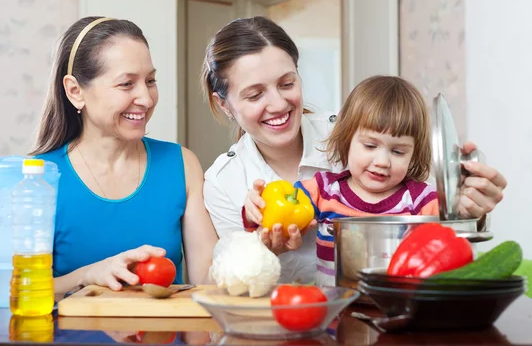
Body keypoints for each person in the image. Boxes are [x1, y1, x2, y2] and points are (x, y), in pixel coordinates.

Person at [202, 16, 507, 284]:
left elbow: (433, 214)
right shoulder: (223, 180)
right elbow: (233, 278)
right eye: (255, 94)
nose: (279, 104)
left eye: (287, 83)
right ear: (223, 104)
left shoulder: (358, 133)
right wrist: (259, 243)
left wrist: (468, 207)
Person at [31, 16, 218, 294]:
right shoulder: (37, 179)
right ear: (75, 91)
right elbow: (19, 292)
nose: (146, 98)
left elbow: (207, 281)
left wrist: (257, 246)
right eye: (126, 84)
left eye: (151, 80)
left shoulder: (181, 164)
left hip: (165, 336)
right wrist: (89, 274)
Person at [246, 75, 440, 286]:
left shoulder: (422, 199)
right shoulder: (324, 189)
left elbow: (455, 233)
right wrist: (255, 209)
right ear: (348, 140)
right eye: (370, 146)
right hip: (335, 309)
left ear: (414, 154)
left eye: (398, 151)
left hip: (400, 309)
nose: (382, 161)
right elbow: (279, 214)